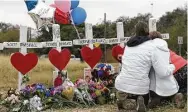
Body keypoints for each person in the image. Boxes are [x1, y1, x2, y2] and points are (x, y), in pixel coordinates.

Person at [115, 21, 175, 112]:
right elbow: (160, 70)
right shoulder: (152, 46)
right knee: (144, 96)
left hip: (122, 82)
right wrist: (172, 66)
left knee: (131, 90)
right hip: (141, 86)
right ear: (147, 31)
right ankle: (140, 102)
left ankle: (124, 102)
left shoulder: (128, 45)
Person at [148, 31, 186, 109]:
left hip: (176, 71)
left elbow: (161, 71)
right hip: (184, 66)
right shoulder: (165, 48)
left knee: (160, 93)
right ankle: (177, 97)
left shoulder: (151, 50)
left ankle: (165, 100)